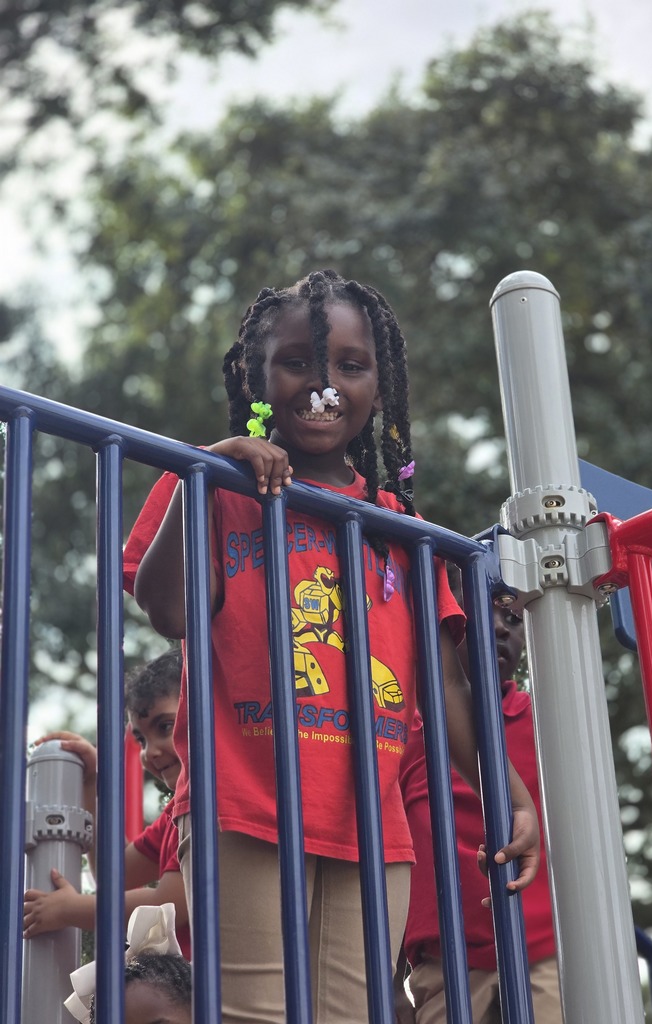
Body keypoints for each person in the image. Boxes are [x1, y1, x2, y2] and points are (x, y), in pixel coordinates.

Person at [121, 268, 540, 1024]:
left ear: (378, 388)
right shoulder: (213, 482)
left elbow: (445, 687)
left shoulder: (397, 530)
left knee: (353, 1015)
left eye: (350, 366)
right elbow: (167, 610)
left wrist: (509, 797)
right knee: (254, 1011)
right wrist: (207, 477)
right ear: (258, 376)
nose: (324, 385)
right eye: (298, 363)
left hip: (372, 828)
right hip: (241, 806)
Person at [397, 563, 563, 1023]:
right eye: (481, 611)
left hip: (544, 952)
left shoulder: (542, 720)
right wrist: (388, 979)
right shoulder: (406, 729)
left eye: (514, 619)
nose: (498, 626)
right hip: (446, 962)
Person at [23, 648, 191, 960]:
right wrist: (91, 783)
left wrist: (73, 910)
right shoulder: (173, 816)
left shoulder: (210, 804)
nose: (149, 751)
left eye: (165, 727)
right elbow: (115, 873)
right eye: (141, 739)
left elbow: (169, 908)